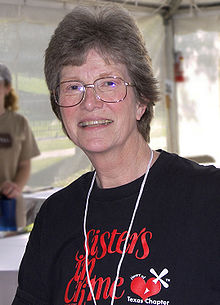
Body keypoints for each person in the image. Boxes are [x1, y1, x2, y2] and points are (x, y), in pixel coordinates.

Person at [11, 3, 220, 305]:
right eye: (73, 87)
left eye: (109, 83)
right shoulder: (56, 215)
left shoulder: (208, 198)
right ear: (59, 107)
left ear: (142, 101)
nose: (90, 102)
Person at [0, 63, 40, 229]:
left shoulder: (19, 123)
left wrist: (16, 187)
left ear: (7, 87)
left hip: (9, 204)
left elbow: (25, 165)